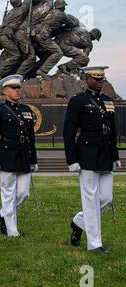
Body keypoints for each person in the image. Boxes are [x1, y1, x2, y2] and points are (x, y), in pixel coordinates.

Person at [63, 66, 120, 254]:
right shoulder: (77, 101)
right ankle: (94, 244)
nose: (100, 81)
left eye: (102, 78)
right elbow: (69, 131)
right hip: (86, 153)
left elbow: (112, 131)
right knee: (90, 199)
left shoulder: (107, 101)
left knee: (105, 197)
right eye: (96, 78)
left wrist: (115, 155)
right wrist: (71, 159)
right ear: (87, 79)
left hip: (105, 154)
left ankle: (79, 221)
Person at [0, 75, 38, 237]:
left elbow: (31, 137)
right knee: (8, 193)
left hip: (23, 155)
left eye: (18, 88)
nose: (17, 90)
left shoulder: (27, 110)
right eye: (13, 88)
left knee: (24, 193)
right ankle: (11, 228)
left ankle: (3, 213)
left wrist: (34, 159)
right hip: (7, 154)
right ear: (4, 91)